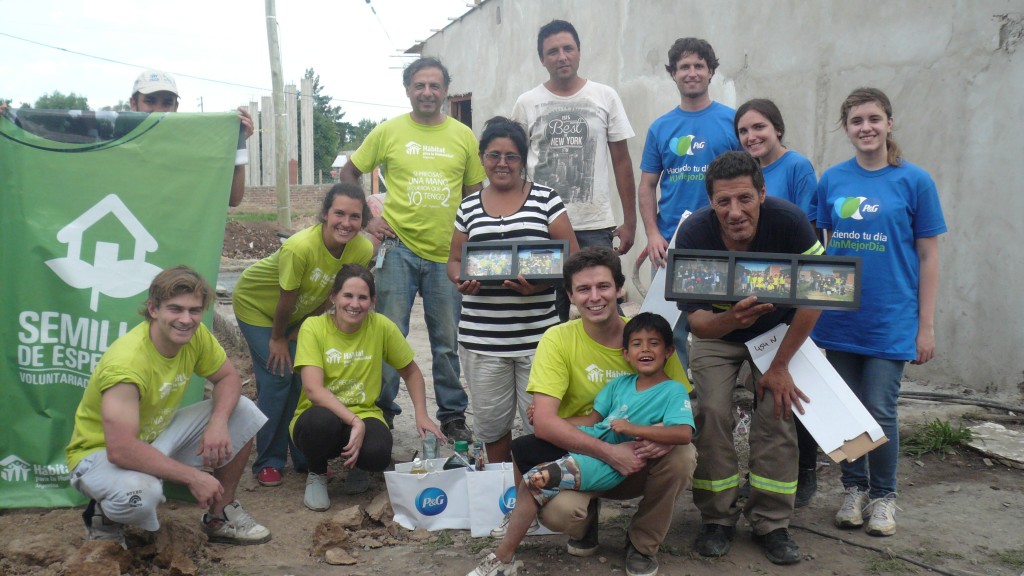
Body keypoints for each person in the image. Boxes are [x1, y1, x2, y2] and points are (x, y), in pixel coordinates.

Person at [507, 247, 696, 576]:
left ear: (619, 288)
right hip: (582, 457)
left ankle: (642, 543)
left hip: (637, 457)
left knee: (683, 454)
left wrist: (665, 438)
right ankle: (586, 522)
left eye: (603, 286)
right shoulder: (558, 340)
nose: (595, 297)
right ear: (570, 295)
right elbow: (546, 425)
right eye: (583, 289)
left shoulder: (647, 339)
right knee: (560, 515)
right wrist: (609, 452)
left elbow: (685, 406)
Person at [675, 151, 823, 565]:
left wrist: (780, 368)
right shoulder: (694, 234)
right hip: (720, 330)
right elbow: (698, 323)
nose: (735, 212)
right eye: (723, 202)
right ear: (711, 203)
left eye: (744, 198)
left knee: (778, 409)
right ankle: (717, 518)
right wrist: (733, 319)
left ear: (762, 193)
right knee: (710, 410)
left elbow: (815, 297)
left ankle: (772, 522)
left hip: (778, 333)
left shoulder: (789, 221)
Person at [813, 87, 946, 537]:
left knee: (879, 408)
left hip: (892, 317)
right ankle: (854, 489)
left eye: (873, 119)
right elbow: (825, 252)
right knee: (846, 409)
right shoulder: (832, 180)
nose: (865, 128)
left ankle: (885, 497)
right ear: (846, 129)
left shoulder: (915, 181)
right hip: (841, 318)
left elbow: (929, 257)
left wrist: (924, 327)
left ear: (889, 123)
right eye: (856, 121)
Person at [470, 313, 694, 576]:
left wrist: (632, 429)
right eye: (637, 344)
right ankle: (516, 542)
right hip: (596, 452)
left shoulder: (673, 390)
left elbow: (683, 433)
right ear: (625, 353)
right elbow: (591, 420)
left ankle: (502, 559)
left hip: (613, 465)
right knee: (523, 448)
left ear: (669, 351)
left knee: (535, 481)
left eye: (654, 343)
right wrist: (552, 419)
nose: (645, 349)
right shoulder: (619, 385)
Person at [65, 266, 270, 548]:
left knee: (243, 411)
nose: (186, 319)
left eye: (194, 310)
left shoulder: (195, 336)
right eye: (175, 309)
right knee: (141, 495)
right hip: (98, 454)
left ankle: (219, 516)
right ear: (153, 309)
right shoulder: (126, 364)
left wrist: (218, 422)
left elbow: (228, 377)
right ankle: (104, 521)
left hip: (152, 437)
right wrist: (193, 477)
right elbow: (120, 449)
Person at [340, 57, 485, 441]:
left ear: (445, 91)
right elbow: (349, 173)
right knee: (388, 334)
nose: (427, 92)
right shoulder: (388, 131)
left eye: (434, 86)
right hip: (397, 248)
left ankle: (453, 415)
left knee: (446, 341)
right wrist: (368, 220)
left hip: (446, 255)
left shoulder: (463, 136)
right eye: (419, 85)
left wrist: (472, 243)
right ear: (407, 89)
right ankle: (382, 412)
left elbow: (474, 194)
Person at [448, 116, 579, 465]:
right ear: (481, 158)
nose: (502, 163)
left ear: (523, 159)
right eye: (494, 155)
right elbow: (454, 261)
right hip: (483, 340)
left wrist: (541, 283)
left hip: (539, 338)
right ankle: (502, 493)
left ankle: (542, 495)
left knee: (543, 423)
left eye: (511, 156)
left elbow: (574, 260)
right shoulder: (469, 206)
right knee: (492, 426)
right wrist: (463, 280)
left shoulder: (546, 200)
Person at [231, 184, 373, 491]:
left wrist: (301, 332)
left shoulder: (361, 249)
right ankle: (268, 461)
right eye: (338, 213)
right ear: (324, 214)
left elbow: (332, 295)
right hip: (258, 306)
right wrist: (280, 338)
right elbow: (286, 298)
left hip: (297, 315)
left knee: (305, 378)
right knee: (278, 376)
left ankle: (306, 455)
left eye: (354, 216)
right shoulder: (300, 247)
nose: (345, 223)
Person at [511, 19, 638, 322]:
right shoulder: (527, 103)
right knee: (544, 313)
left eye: (568, 48)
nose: (562, 56)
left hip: (595, 225)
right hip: (542, 227)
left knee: (604, 310)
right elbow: (515, 166)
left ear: (579, 52)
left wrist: (630, 222)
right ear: (542, 59)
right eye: (552, 51)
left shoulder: (604, 96)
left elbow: (622, 161)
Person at [290, 264, 445, 511]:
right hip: (319, 414)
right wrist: (354, 421)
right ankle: (317, 473)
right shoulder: (314, 327)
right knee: (319, 424)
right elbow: (313, 390)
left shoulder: (380, 326)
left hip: (364, 412)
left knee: (378, 452)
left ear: (373, 301)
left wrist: (422, 413)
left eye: (362, 297)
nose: (355, 304)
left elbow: (412, 371)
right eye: (347, 296)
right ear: (333, 297)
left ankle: (357, 467)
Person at [734, 98, 820, 507]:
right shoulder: (736, 177)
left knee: (789, 391)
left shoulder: (798, 168)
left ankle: (804, 470)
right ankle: (759, 474)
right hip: (752, 294)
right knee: (757, 396)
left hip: (787, 292)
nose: (752, 136)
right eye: (744, 131)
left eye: (759, 127)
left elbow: (805, 225)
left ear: (778, 129)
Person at [637, 38, 742, 366]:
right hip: (673, 244)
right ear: (673, 74)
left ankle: (726, 398)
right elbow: (647, 185)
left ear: (711, 72)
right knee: (668, 330)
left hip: (725, 242)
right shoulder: (661, 127)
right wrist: (653, 234)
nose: (692, 73)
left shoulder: (733, 121)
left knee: (728, 323)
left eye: (699, 66)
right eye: (684, 67)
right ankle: (677, 399)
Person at [129, 69, 254, 207]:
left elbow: (234, 199)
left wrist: (235, 143)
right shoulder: (114, 145)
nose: (159, 110)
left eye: (167, 103)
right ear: (134, 104)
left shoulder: (194, 146)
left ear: (175, 107)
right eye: (150, 101)